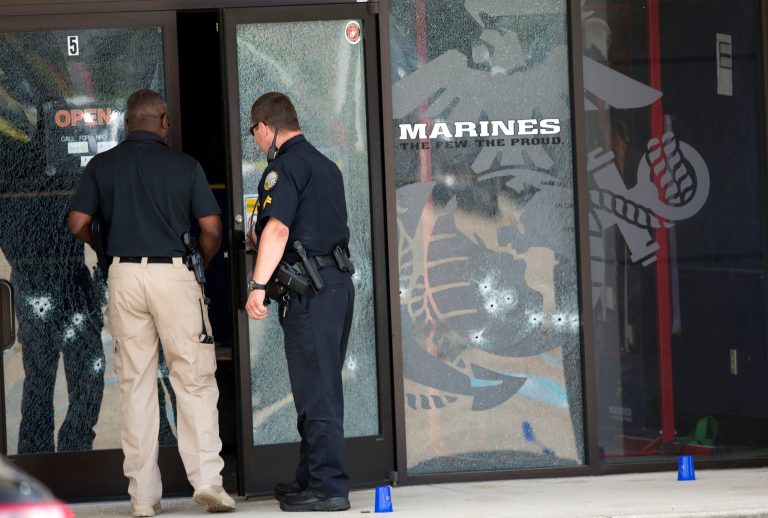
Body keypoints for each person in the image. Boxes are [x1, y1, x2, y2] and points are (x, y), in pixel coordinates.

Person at [68, 89, 235, 517]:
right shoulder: (185, 167)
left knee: (136, 386)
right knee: (193, 378)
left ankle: (143, 498)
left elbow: (78, 222)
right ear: (163, 120)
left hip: (123, 275)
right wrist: (199, 261)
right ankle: (207, 483)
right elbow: (212, 229)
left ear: (126, 122)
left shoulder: (101, 166)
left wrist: (108, 253)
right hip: (175, 273)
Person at [244, 92, 354, 512]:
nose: (255, 139)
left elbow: (278, 233)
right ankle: (310, 478)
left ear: (265, 127)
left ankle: (328, 487)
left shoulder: (283, 168)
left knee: (318, 391)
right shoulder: (325, 166)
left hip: (311, 291)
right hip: (335, 285)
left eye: (253, 131)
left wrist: (257, 286)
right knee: (315, 387)